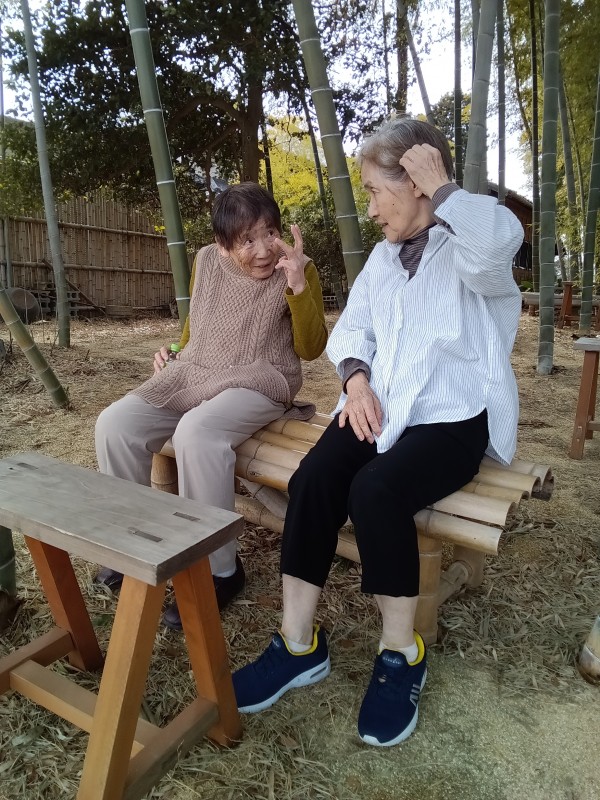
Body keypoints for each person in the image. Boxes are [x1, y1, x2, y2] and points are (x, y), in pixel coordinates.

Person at [232, 118, 524, 747]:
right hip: (381, 405)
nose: (367, 208)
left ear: (414, 182)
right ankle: (298, 644)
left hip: (453, 417)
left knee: (377, 491)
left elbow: (499, 246)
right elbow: (354, 329)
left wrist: (444, 190)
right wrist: (357, 380)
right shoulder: (384, 259)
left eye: (373, 190)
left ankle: (400, 654)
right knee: (315, 477)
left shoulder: (468, 242)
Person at [94, 182, 327, 629]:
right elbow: (199, 322)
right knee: (114, 424)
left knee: (197, 434)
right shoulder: (205, 260)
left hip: (262, 376)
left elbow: (312, 348)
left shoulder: (299, 268)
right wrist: (174, 351)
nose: (264, 250)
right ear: (222, 245)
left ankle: (219, 570)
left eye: (270, 232)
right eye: (247, 240)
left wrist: (297, 285)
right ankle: (132, 548)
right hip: (196, 368)